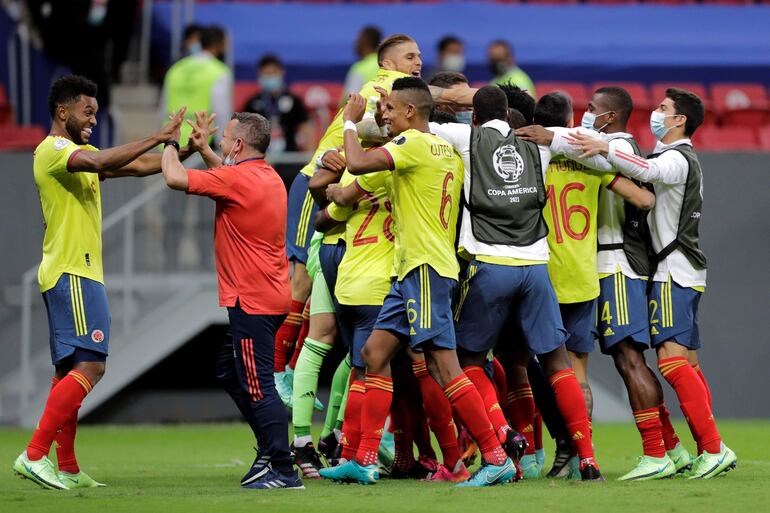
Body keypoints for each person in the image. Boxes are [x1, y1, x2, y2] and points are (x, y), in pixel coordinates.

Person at [320, 77, 514, 487]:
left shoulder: (412, 146)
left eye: (389, 109)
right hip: (410, 271)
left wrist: (351, 124)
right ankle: (366, 460)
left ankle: (495, 456)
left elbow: (356, 163)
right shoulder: (444, 151)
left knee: (445, 367)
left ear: (411, 111)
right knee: (374, 354)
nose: (383, 115)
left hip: (425, 269)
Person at [12, 75, 186, 490]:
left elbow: (138, 166)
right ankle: (34, 455)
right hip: (72, 271)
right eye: (86, 112)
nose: (92, 119)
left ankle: (67, 465)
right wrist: (157, 135)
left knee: (69, 371)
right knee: (92, 363)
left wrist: (180, 146)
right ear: (62, 111)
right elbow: (102, 162)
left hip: (78, 271)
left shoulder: (81, 151)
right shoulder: (53, 150)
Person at [428, 85, 606, 481]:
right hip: (536, 267)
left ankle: (501, 436)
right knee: (558, 363)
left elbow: (415, 121)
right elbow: (596, 146)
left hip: (489, 265)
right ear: (509, 114)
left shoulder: (466, 137)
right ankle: (588, 457)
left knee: (471, 360)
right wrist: (554, 135)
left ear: (474, 117)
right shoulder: (540, 145)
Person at [569, 88, 738, 480]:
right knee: (689, 365)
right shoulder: (673, 156)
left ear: (679, 120)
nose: (656, 114)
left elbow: (647, 175)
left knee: (672, 361)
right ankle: (700, 449)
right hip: (680, 268)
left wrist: (602, 148)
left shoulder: (677, 158)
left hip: (671, 270)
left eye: (663, 109)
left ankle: (712, 448)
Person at [274, 34, 423, 406]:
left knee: (318, 288)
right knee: (301, 281)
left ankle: (291, 369)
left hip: (342, 186)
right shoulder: (384, 85)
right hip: (316, 180)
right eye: (409, 56)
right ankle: (275, 370)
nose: (417, 61)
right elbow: (402, 113)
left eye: (419, 55)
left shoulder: (394, 89)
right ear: (386, 64)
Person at [160, 111, 304, 490]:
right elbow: (226, 176)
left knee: (258, 386)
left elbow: (174, 177)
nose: (222, 144)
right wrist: (206, 148)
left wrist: (171, 142)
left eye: (225, 138)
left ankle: (283, 469)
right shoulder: (266, 175)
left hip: (251, 299)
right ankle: (270, 450)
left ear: (239, 144)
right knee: (229, 370)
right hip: (270, 294)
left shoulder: (238, 178)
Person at [244, 54, 312, 153]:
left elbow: (306, 129)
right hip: (261, 159)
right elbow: (245, 134)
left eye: (273, 73)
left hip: (290, 158)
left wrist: (309, 158)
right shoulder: (252, 103)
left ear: (281, 72)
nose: (270, 76)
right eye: (267, 73)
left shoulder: (294, 101)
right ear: (259, 74)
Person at [342, 26, 382, 100]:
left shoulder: (359, 68)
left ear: (364, 41)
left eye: (357, 40)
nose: (355, 44)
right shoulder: (386, 63)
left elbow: (350, 98)